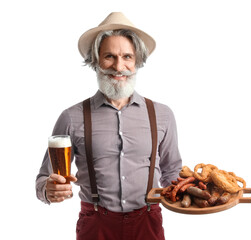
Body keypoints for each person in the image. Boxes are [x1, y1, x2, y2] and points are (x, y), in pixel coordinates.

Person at [36, 12, 182, 240]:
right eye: (109, 56)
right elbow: (44, 179)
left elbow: (172, 172)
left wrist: (194, 190)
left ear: (137, 62)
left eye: (127, 56)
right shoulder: (71, 117)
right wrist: (48, 189)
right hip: (95, 225)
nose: (119, 66)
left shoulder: (162, 114)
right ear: (95, 62)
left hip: (148, 221)